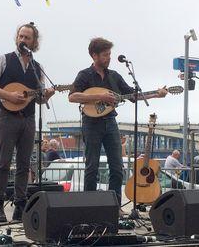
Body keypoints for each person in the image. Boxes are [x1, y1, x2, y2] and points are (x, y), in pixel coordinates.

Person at [68, 37, 167, 208]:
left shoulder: (114, 76)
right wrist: (100, 96)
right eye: (105, 55)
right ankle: (88, 206)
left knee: (117, 167)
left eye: (109, 54)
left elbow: (132, 95)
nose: (109, 58)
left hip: (110, 122)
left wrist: (156, 94)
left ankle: (114, 207)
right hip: (91, 123)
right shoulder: (84, 75)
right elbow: (72, 96)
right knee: (92, 166)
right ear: (94, 55)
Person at [0, 22, 55, 222]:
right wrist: (8, 95)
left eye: (27, 38)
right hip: (7, 117)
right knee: (3, 163)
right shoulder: (3, 60)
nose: (22, 40)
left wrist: (47, 95)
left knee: (24, 164)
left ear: (34, 42)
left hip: (29, 119)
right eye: (20, 36)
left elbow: (39, 98)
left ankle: (19, 204)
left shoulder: (37, 67)